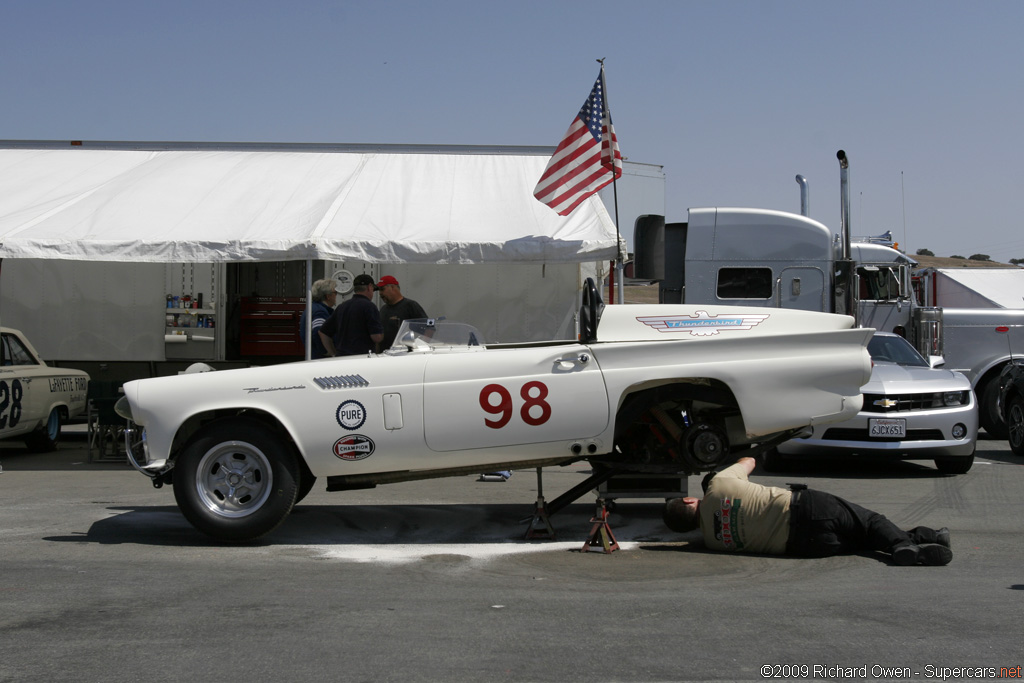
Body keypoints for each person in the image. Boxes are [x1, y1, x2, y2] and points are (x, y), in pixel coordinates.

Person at [663, 456, 952, 566]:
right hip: (805, 508)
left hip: (807, 545)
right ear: (689, 501)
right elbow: (749, 460)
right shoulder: (719, 484)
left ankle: (924, 538)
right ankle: (905, 543)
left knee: (866, 539)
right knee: (871, 522)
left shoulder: (713, 543)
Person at [319, 274, 383, 356]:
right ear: (369, 287)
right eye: (373, 290)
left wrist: (333, 353)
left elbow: (323, 332)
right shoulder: (370, 307)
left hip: (342, 358)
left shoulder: (341, 307)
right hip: (362, 359)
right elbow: (377, 337)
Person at [376, 275, 427, 350]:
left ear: (392, 287)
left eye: (382, 289)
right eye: (379, 290)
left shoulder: (410, 306)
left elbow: (429, 328)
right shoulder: (383, 309)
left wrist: (422, 348)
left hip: (404, 355)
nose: (380, 293)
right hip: (385, 354)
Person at [299, 278, 340, 359]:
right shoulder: (320, 312)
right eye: (335, 293)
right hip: (320, 358)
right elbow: (318, 332)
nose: (336, 296)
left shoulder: (312, 308)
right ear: (328, 296)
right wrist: (326, 352)